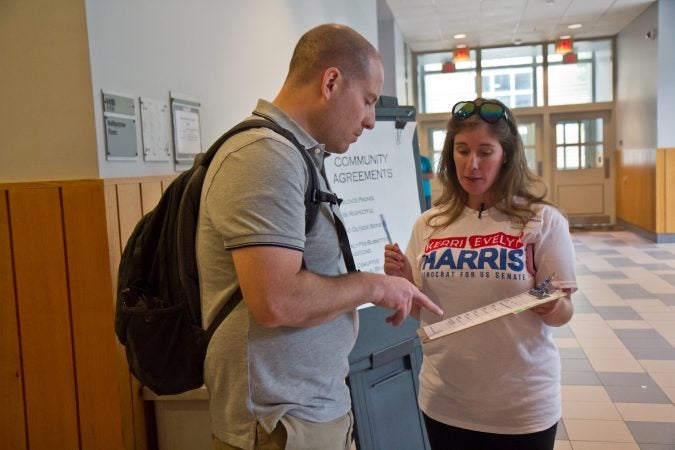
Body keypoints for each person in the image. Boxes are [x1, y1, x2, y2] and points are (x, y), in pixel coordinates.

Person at [197, 24, 443, 450]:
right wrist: (374, 284)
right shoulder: (264, 157)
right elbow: (276, 300)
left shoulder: (294, 154)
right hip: (280, 422)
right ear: (330, 81)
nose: (370, 120)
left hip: (306, 410)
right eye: (367, 100)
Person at [384, 98, 577, 450]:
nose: (471, 164)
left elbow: (563, 313)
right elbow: (427, 315)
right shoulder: (429, 223)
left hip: (520, 407)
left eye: (485, 152)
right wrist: (406, 284)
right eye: (462, 150)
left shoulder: (542, 220)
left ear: (507, 155)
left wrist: (550, 306)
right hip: (445, 401)